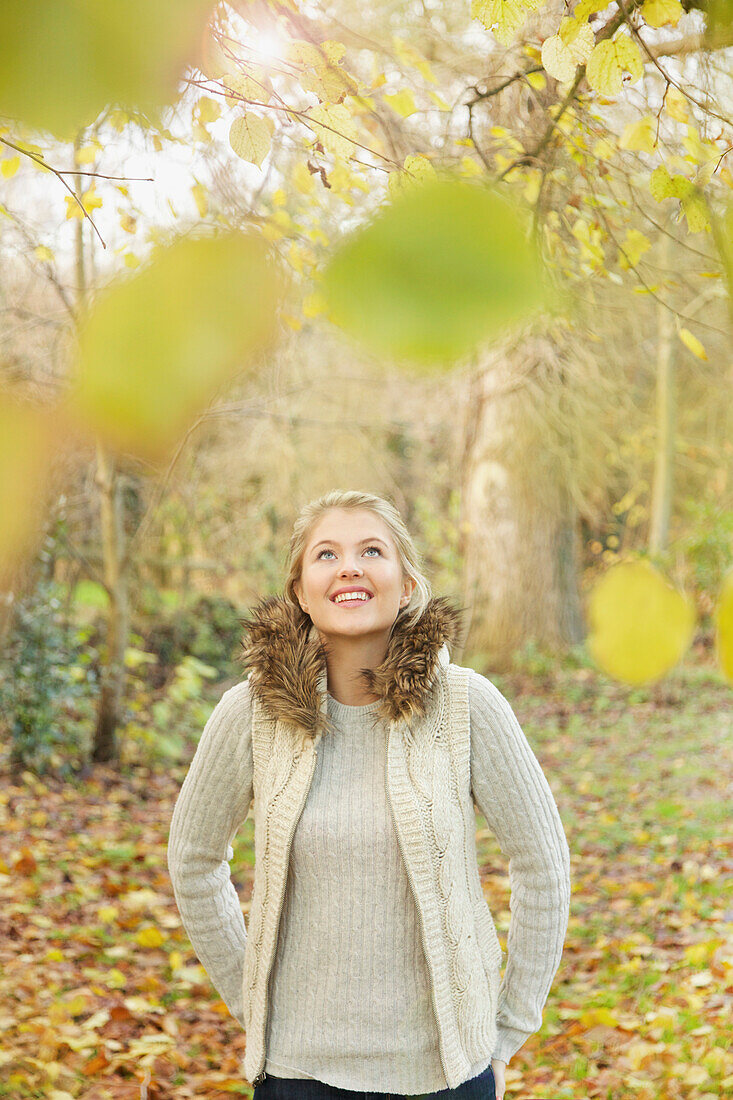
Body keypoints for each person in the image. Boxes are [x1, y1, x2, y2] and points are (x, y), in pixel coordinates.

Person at [167, 489, 571, 1100]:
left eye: (372, 551)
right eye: (326, 554)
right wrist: (252, 996)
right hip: (298, 1073)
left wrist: (508, 1027)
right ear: (301, 591)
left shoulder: (467, 705)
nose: (350, 566)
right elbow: (193, 860)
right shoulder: (250, 714)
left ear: (405, 584)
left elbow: (544, 864)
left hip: (446, 1073)